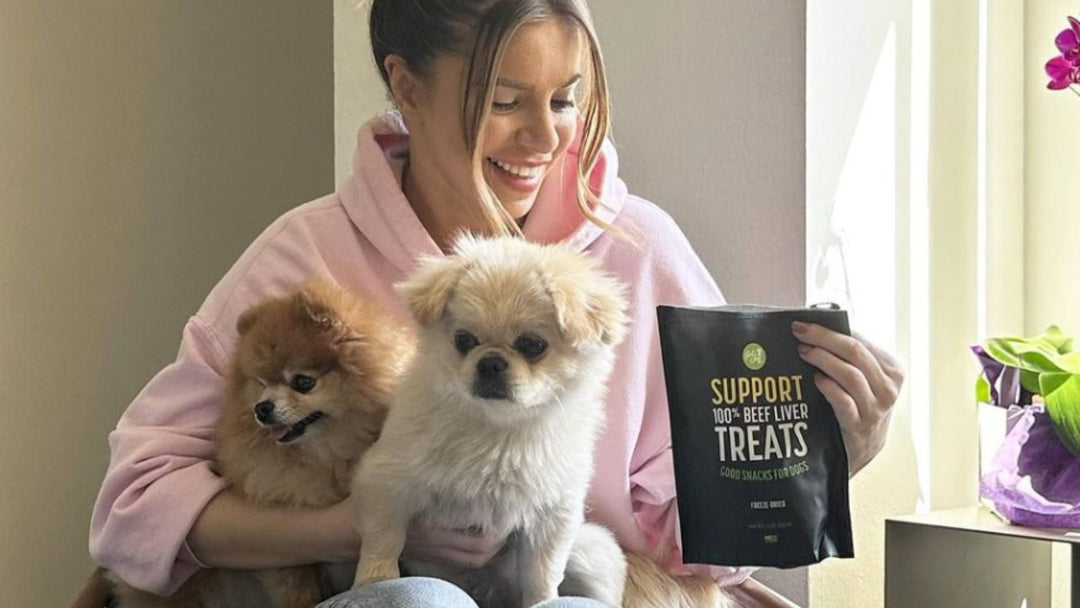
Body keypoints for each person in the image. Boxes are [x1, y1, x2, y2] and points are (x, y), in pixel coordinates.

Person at [89, 1, 905, 607]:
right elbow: (135, 503)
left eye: (565, 99)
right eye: (507, 101)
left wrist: (822, 459)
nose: (546, 138)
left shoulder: (633, 253)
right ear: (406, 87)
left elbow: (698, 545)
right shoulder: (306, 261)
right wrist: (356, 526)